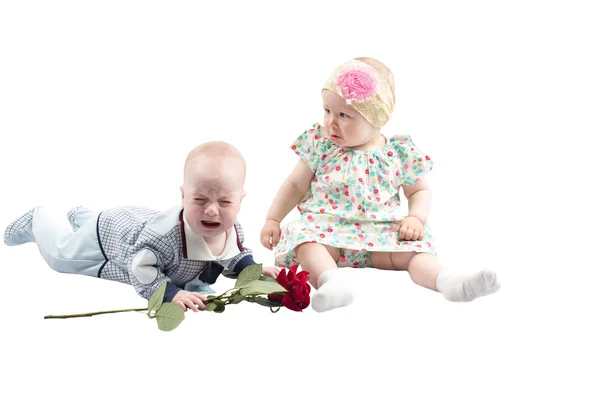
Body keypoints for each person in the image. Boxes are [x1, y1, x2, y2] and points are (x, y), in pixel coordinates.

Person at [260, 57, 500, 312]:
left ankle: (449, 282)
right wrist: (273, 219)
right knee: (305, 241)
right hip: (325, 228)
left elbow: (419, 190)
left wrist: (416, 218)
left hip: (380, 233)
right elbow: (295, 185)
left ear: (377, 118)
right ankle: (331, 282)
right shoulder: (321, 144)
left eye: (344, 115)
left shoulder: (398, 153)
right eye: (327, 110)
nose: (331, 122)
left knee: (415, 251)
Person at [4, 141, 279, 312]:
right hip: (111, 235)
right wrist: (170, 292)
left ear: (240, 201)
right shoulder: (163, 240)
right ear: (183, 195)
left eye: (224, 201)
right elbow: (139, 267)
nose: (211, 209)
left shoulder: (232, 229)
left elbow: (232, 255)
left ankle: (81, 216)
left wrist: (252, 269)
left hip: (133, 222)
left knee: (103, 244)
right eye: (199, 199)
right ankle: (38, 219)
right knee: (62, 257)